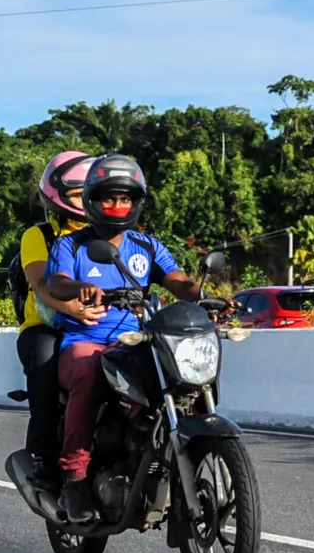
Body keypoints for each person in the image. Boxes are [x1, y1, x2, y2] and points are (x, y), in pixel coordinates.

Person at [44, 153, 209, 523]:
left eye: (125, 198)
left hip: (136, 342)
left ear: (137, 202)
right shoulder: (71, 246)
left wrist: (204, 296)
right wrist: (80, 288)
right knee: (88, 372)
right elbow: (56, 282)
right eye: (109, 198)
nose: (118, 206)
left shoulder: (148, 246)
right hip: (86, 341)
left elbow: (177, 280)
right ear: (91, 200)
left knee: (184, 375)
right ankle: (74, 477)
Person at [15, 151, 104, 491]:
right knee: (46, 361)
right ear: (56, 195)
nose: (86, 200)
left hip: (97, 324)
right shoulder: (37, 236)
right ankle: (43, 456)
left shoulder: (109, 234)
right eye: (76, 193)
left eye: (90, 191)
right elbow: (40, 286)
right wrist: (72, 311)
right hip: (47, 326)